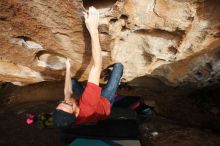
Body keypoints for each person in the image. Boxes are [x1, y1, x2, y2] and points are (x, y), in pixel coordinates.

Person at [53, 6, 124, 128]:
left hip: (87, 106)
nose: (67, 101)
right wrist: (93, 30)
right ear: (75, 113)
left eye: (61, 103)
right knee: (118, 67)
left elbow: (67, 93)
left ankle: (95, 86)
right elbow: (96, 66)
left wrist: (68, 67)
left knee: (73, 83)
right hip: (104, 102)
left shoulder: (68, 113)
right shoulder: (88, 104)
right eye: (68, 104)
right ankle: (114, 80)